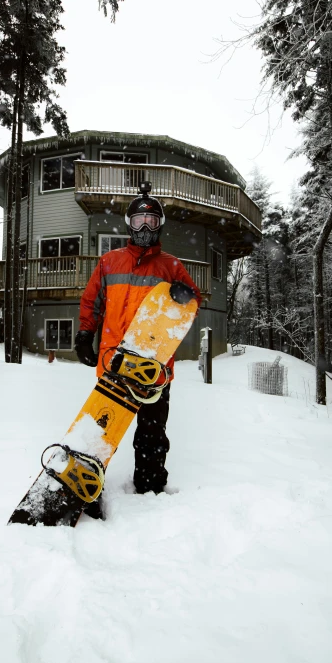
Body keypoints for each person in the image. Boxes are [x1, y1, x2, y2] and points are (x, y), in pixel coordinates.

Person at [75, 182, 201, 513]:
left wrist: (185, 296)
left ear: (160, 226)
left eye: (152, 222)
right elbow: (92, 302)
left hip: (154, 368)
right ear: (128, 224)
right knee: (102, 429)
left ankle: (151, 484)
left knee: (152, 431)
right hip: (114, 362)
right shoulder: (110, 262)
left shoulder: (170, 266)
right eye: (138, 222)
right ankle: (87, 485)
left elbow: (192, 300)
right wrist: (84, 334)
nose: (145, 228)